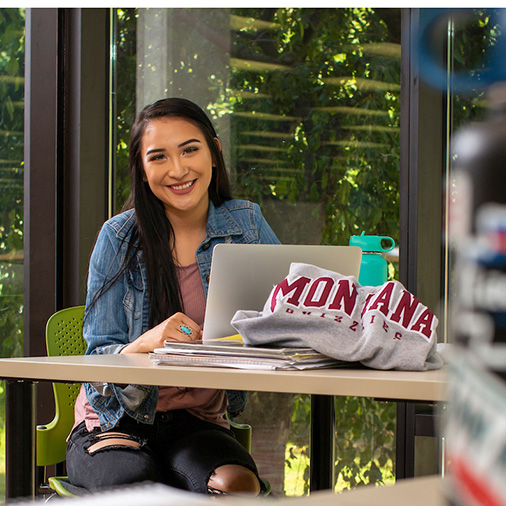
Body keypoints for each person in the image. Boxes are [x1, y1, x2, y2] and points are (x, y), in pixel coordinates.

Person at [66, 97, 280, 495]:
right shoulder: (119, 238)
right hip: (115, 423)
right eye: (159, 157)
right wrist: (145, 343)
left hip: (198, 423)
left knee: (237, 486)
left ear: (214, 152)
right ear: (142, 170)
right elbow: (95, 364)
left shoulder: (246, 224)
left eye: (189, 150)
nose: (178, 170)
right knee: (136, 489)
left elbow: (288, 317)